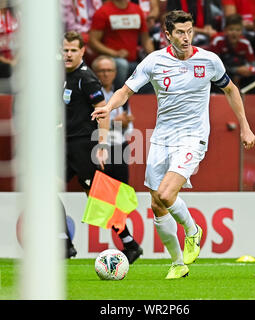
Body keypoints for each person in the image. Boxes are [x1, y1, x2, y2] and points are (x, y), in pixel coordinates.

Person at [91, 10, 255, 279]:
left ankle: (193, 231)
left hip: (192, 137)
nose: (186, 37)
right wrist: (108, 107)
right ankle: (178, 263)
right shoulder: (154, 61)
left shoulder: (209, 60)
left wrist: (246, 127)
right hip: (161, 138)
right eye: (180, 32)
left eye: (190, 31)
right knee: (157, 204)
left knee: (167, 195)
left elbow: (231, 90)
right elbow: (125, 90)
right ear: (168, 35)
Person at [63, 31, 143, 263]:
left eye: (72, 50)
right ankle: (65, 243)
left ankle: (130, 243)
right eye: (65, 49)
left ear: (81, 51)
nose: (68, 54)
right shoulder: (64, 76)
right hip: (67, 146)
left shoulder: (86, 78)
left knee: (100, 199)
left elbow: (103, 112)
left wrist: (102, 145)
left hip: (84, 146)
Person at [89, 0, 154, 91]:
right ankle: (116, 97)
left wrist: (155, 58)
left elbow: (145, 39)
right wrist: (115, 53)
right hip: (111, 60)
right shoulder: (103, 11)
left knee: (152, 68)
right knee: (122, 64)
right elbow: (93, 41)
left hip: (133, 61)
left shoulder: (137, 10)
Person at [92, 55, 134, 184]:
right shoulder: (91, 94)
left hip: (119, 147)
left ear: (115, 73)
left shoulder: (120, 95)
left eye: (109, 70)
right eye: (102, 71)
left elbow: (129, 128)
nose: (106, 74)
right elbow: (87, 123)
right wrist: (114, 122)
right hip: (97, 147)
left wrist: (125, 124)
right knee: (101, 191)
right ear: (95, 73)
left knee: (122, 188)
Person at [209, 14, 255, 90]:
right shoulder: (217, 41)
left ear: (242, 31)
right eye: (231, 29)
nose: (234, 33)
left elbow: (254, 65)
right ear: (225, 30)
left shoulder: (245, 43)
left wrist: (250, 70)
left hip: (241, 74)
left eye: (238, 30)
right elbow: (213, 65)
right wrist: (235, 70)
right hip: (223, 73)